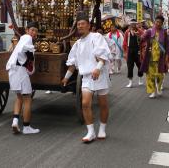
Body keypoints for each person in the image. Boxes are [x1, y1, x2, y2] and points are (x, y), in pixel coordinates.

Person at [62, 13, 111, 143]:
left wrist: (98, 68)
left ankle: (102, 128)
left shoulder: (96, 37)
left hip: (99, 75)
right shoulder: (77, 44)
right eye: (78, 24)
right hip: (87, 77)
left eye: (83, 23)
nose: (80, 26)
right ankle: (90, 132)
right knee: (85, 103)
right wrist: (66, 77)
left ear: (88, 25)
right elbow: (72, 63)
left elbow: (103, 55)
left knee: (103, 104)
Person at [6, 22, 40, 135]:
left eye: (36, 31)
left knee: (19, 97)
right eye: (32, 30)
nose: (34, 33)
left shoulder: (22, 39)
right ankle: (26, 127)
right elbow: (25, 49)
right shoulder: (27, 37)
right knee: (27, 98)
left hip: (12, 70)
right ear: (27, 30)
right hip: (20, 70)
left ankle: (15, 121)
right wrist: (33, 50)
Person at [140, 15, 169, 98]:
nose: (158, 23)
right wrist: (140, 35)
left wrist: (167, 56)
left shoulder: (164, 33)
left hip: (161, 58)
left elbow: (167, 45)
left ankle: (159, 88)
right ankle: (152, 91)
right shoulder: (149, 31)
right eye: (157, 22)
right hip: (150, 58)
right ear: (154, 22)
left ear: (162, 23)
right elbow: (143, 38)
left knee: (160, 75)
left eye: (160, 22)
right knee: (150, 75)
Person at [123, 19, 144, 88]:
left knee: (140, 65)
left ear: (136, 24)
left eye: (134, 24)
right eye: (132, 24)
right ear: (130, 24)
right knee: (130, 66)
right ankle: (130, 82)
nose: (133, 25)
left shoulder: (140, 31)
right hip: (130, 50)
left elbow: (143, 40)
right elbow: (125, 42)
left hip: (138, 50)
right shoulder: (127, 32)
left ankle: (140, 79)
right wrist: (125, 52)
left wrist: (138, 36)